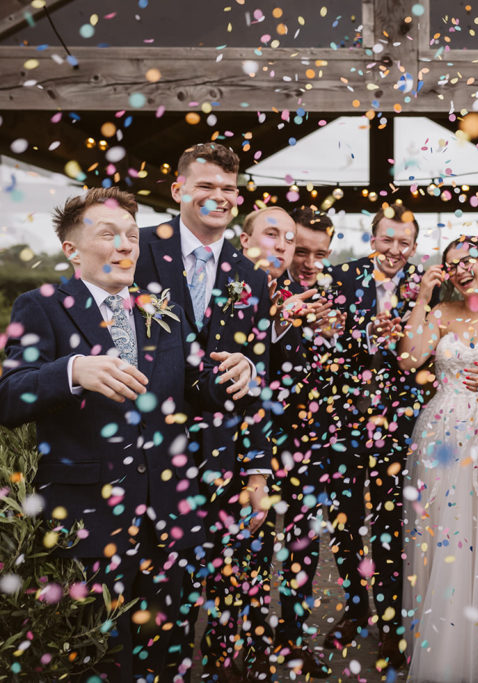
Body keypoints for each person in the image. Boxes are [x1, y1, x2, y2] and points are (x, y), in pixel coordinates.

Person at [0, 187, 255, 681]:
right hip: (90, 518)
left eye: (132, 235)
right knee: (100, 655)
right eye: (108, 233)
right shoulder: (41, 306)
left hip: (169, 514)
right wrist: (72, 372)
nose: (126, 245)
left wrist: (236, 374)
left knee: (169, 650)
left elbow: (193, 387)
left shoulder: (161, 306)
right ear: (71, 248)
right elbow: (6, 400)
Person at [133, 143, 273, 682]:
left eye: (229, 189)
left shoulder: (251, 275)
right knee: (155, 601)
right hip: (145, 457)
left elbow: (256, 377)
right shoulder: (138, 249)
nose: (219, 196)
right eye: (207, 185)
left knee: (220, 599)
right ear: (179, 189)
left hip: (221, 459)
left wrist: (258, 469)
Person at [398, 235, 478, 682]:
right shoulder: (440, 313)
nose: (460, 269)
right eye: (451, 264)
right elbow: (408, 358)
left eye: (469, 260)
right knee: (441, 536)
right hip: (439, 441)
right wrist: (420, 298)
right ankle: (442, 648)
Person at [323, 203, 427, 671]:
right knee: (343, 520)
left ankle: (389, 626)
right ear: (373, 239)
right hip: (343, 420)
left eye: (404, 242)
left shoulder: (425, 284)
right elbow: (320, 344)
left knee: (389, 526)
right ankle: (355, 605)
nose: (395, 250)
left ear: (414, 246)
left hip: (397, 424)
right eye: (388, 240)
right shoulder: (339, 277)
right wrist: (364, 334)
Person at [265, 206, 343, 678]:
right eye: (302, 250)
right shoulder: (257, 287)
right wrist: (287, 323)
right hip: (254, 438)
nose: (310, 262)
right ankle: (242, 638)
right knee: (248, 544)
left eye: (321, 253)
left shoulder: (331, 295)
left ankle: (291, 636)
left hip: (311, 439)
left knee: (303, 541)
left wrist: (330, 338)